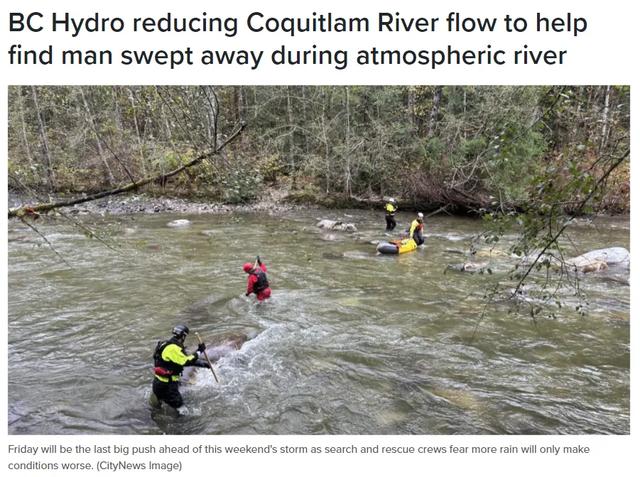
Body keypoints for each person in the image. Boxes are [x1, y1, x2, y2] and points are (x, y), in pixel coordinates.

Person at [150, 324, 210, 411]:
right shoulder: (173, 348)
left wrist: (203, 364)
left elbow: (180, 361)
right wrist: (199, 351)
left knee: (158, 408)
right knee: (182, 410)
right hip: (167, 386)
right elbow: (186, 361)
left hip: (158, 383)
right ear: (183, 336)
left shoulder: (165, 344)